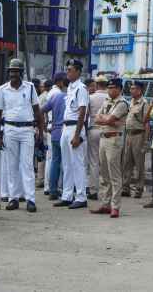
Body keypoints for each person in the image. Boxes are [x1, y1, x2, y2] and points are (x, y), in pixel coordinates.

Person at [0, 58, 44, 212]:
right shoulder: (3, 89)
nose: (13, 74)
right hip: (9, 129)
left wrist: (40, 131)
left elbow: (37, 111)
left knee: (27, 165)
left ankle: (30, 199)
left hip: (27, 130)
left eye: (16, 71)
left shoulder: (29, 88)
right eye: (11, 71)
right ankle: (13, 198)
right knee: (11, 166)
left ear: (22, 73)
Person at [90, 78, 129, 218]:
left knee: (114, 175)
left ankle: (115, 206)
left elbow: (109, 120)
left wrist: (106, 119)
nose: (110, 90)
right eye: (109, 87)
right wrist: (106, 119)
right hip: (103, 137)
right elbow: (96, 118)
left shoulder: (122, 103)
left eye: (113, 87)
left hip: (114, 139)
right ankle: (105, 204)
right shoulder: (107, 101)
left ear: (119, 89)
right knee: (104, 174)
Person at [54, 59, 89, 209]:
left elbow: (82, 112)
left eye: (70, 70)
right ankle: (67, 195)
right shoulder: (70, 88)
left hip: (76, 127)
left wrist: (77, 135)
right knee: (66, 164)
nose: (67, 72)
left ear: (78, 72)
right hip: (66, 127)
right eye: (67, 69)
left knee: (77, 164)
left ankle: (81, 197)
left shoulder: (81, 88)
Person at [41, 72, 68, 200]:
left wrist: (45, 124)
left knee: (55, 162)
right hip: (66, 132)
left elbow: (42, 110)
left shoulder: (55, 97)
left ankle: (52, 190)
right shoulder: (69, 97)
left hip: (55, 132)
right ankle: (64, 190)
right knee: (66, 163)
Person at [122, 81, 149, 199]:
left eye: (134, 88)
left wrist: (145, 141)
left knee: (139, 164)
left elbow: (147, 122)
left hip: (139, 135)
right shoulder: (130, 102)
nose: (131, 90)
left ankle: (139, 188)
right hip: (128, 135)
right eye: (131, 88)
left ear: (139, 90)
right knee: (126, 162)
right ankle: (125, 188)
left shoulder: (144, 103)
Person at [86, 75, 109, 200]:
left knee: (94, 162)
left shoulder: (90, 98)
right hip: (107, 131)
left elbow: (86, 115)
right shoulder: (110, 98)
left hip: (94, 129)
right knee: (107, 162)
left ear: (96, 84)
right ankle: (107, 191)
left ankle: (93, 190)